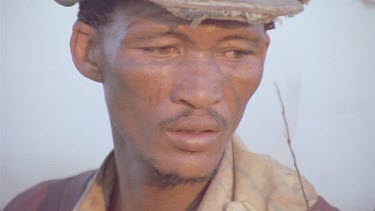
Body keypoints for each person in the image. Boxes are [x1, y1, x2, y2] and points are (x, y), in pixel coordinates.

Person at [4, 0, 339, 210]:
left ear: (263, 53)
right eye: (163, 49)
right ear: (89, 50)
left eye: (236, 52)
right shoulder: (40, 205)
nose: (202, 93)